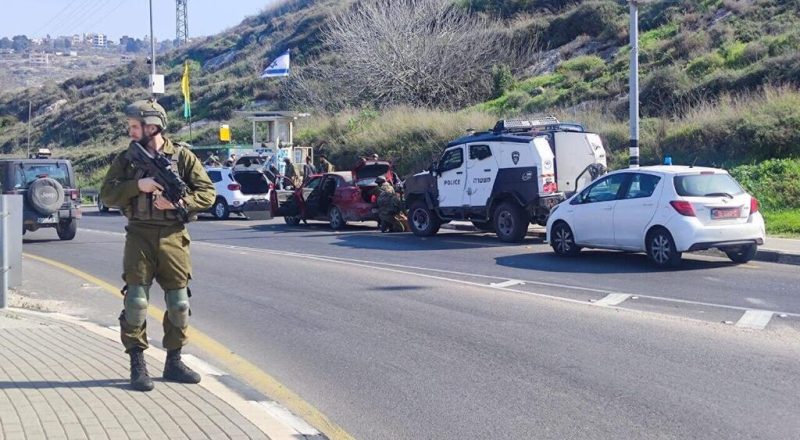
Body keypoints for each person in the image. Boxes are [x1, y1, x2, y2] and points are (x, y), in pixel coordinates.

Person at [100, 99, 216, 392]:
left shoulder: (182, 157)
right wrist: (138, 186)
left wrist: (179, 202)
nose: (130, 131)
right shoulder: (126, 160)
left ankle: (174, 361)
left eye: (134, 126)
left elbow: (208, 193)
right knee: (136, 302)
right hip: (139, 234)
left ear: (152, 127)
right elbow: (107, 195)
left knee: (179, 304)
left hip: (174, 236)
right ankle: (137, 365)